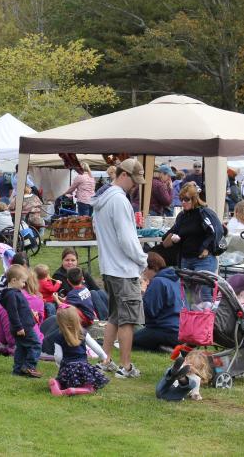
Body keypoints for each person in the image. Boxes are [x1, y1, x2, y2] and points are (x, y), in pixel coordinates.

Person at [89, 158, 148, 379]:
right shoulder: (120, 201)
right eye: (134, 181)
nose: (135, 186)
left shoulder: (103, 198)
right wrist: (142, 260)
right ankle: (126, 366)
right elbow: (127, 239)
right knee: (127, 320)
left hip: (109, 266)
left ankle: (106, 360)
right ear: (123, 175)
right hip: (124, 269)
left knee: (114, 316)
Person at [163, 183, 223, 274]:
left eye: (186, 199)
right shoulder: (182, 216)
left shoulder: (205, 213)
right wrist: (173, 239)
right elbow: (173, 233)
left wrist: (207, 248)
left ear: (194, 199)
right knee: (186, 288)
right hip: (185, 260)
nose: (183, 202)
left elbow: (218, 231)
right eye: (181, 199)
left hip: (203, 261)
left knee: (202, 288)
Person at [49, 307, 109, 395]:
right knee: (90, 384)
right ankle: (81, 390)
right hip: (83, 368)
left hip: (67, 369)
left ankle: (57, 385)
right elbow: (95, 346)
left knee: (61, 381)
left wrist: (59, 365)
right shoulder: (83, 333)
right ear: (77, 318)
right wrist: (104, 357)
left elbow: (58, 356)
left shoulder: (58, 337)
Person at [0, 264, 42, 378]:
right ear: (13, 280)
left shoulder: (13, 292)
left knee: (22, 348)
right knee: (36, 344)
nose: (24, 285)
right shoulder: (11, 295)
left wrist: (30, 312)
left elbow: (20, 308)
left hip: (23, 326)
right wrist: (19, 327)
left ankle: (17, 370)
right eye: (23, 282)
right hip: (23, 328)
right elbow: (13, 313)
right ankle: (29, 366)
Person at [133, 252, 182, 352]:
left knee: (130, 340)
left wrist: (141, 295)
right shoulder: (176, 280)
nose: (143, 274)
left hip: (165, 330)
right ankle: (166, 346)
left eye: (143, 270)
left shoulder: (158, 281)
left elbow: (149, 311)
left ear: (149, 268)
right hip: (181, 331)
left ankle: (162, 348)